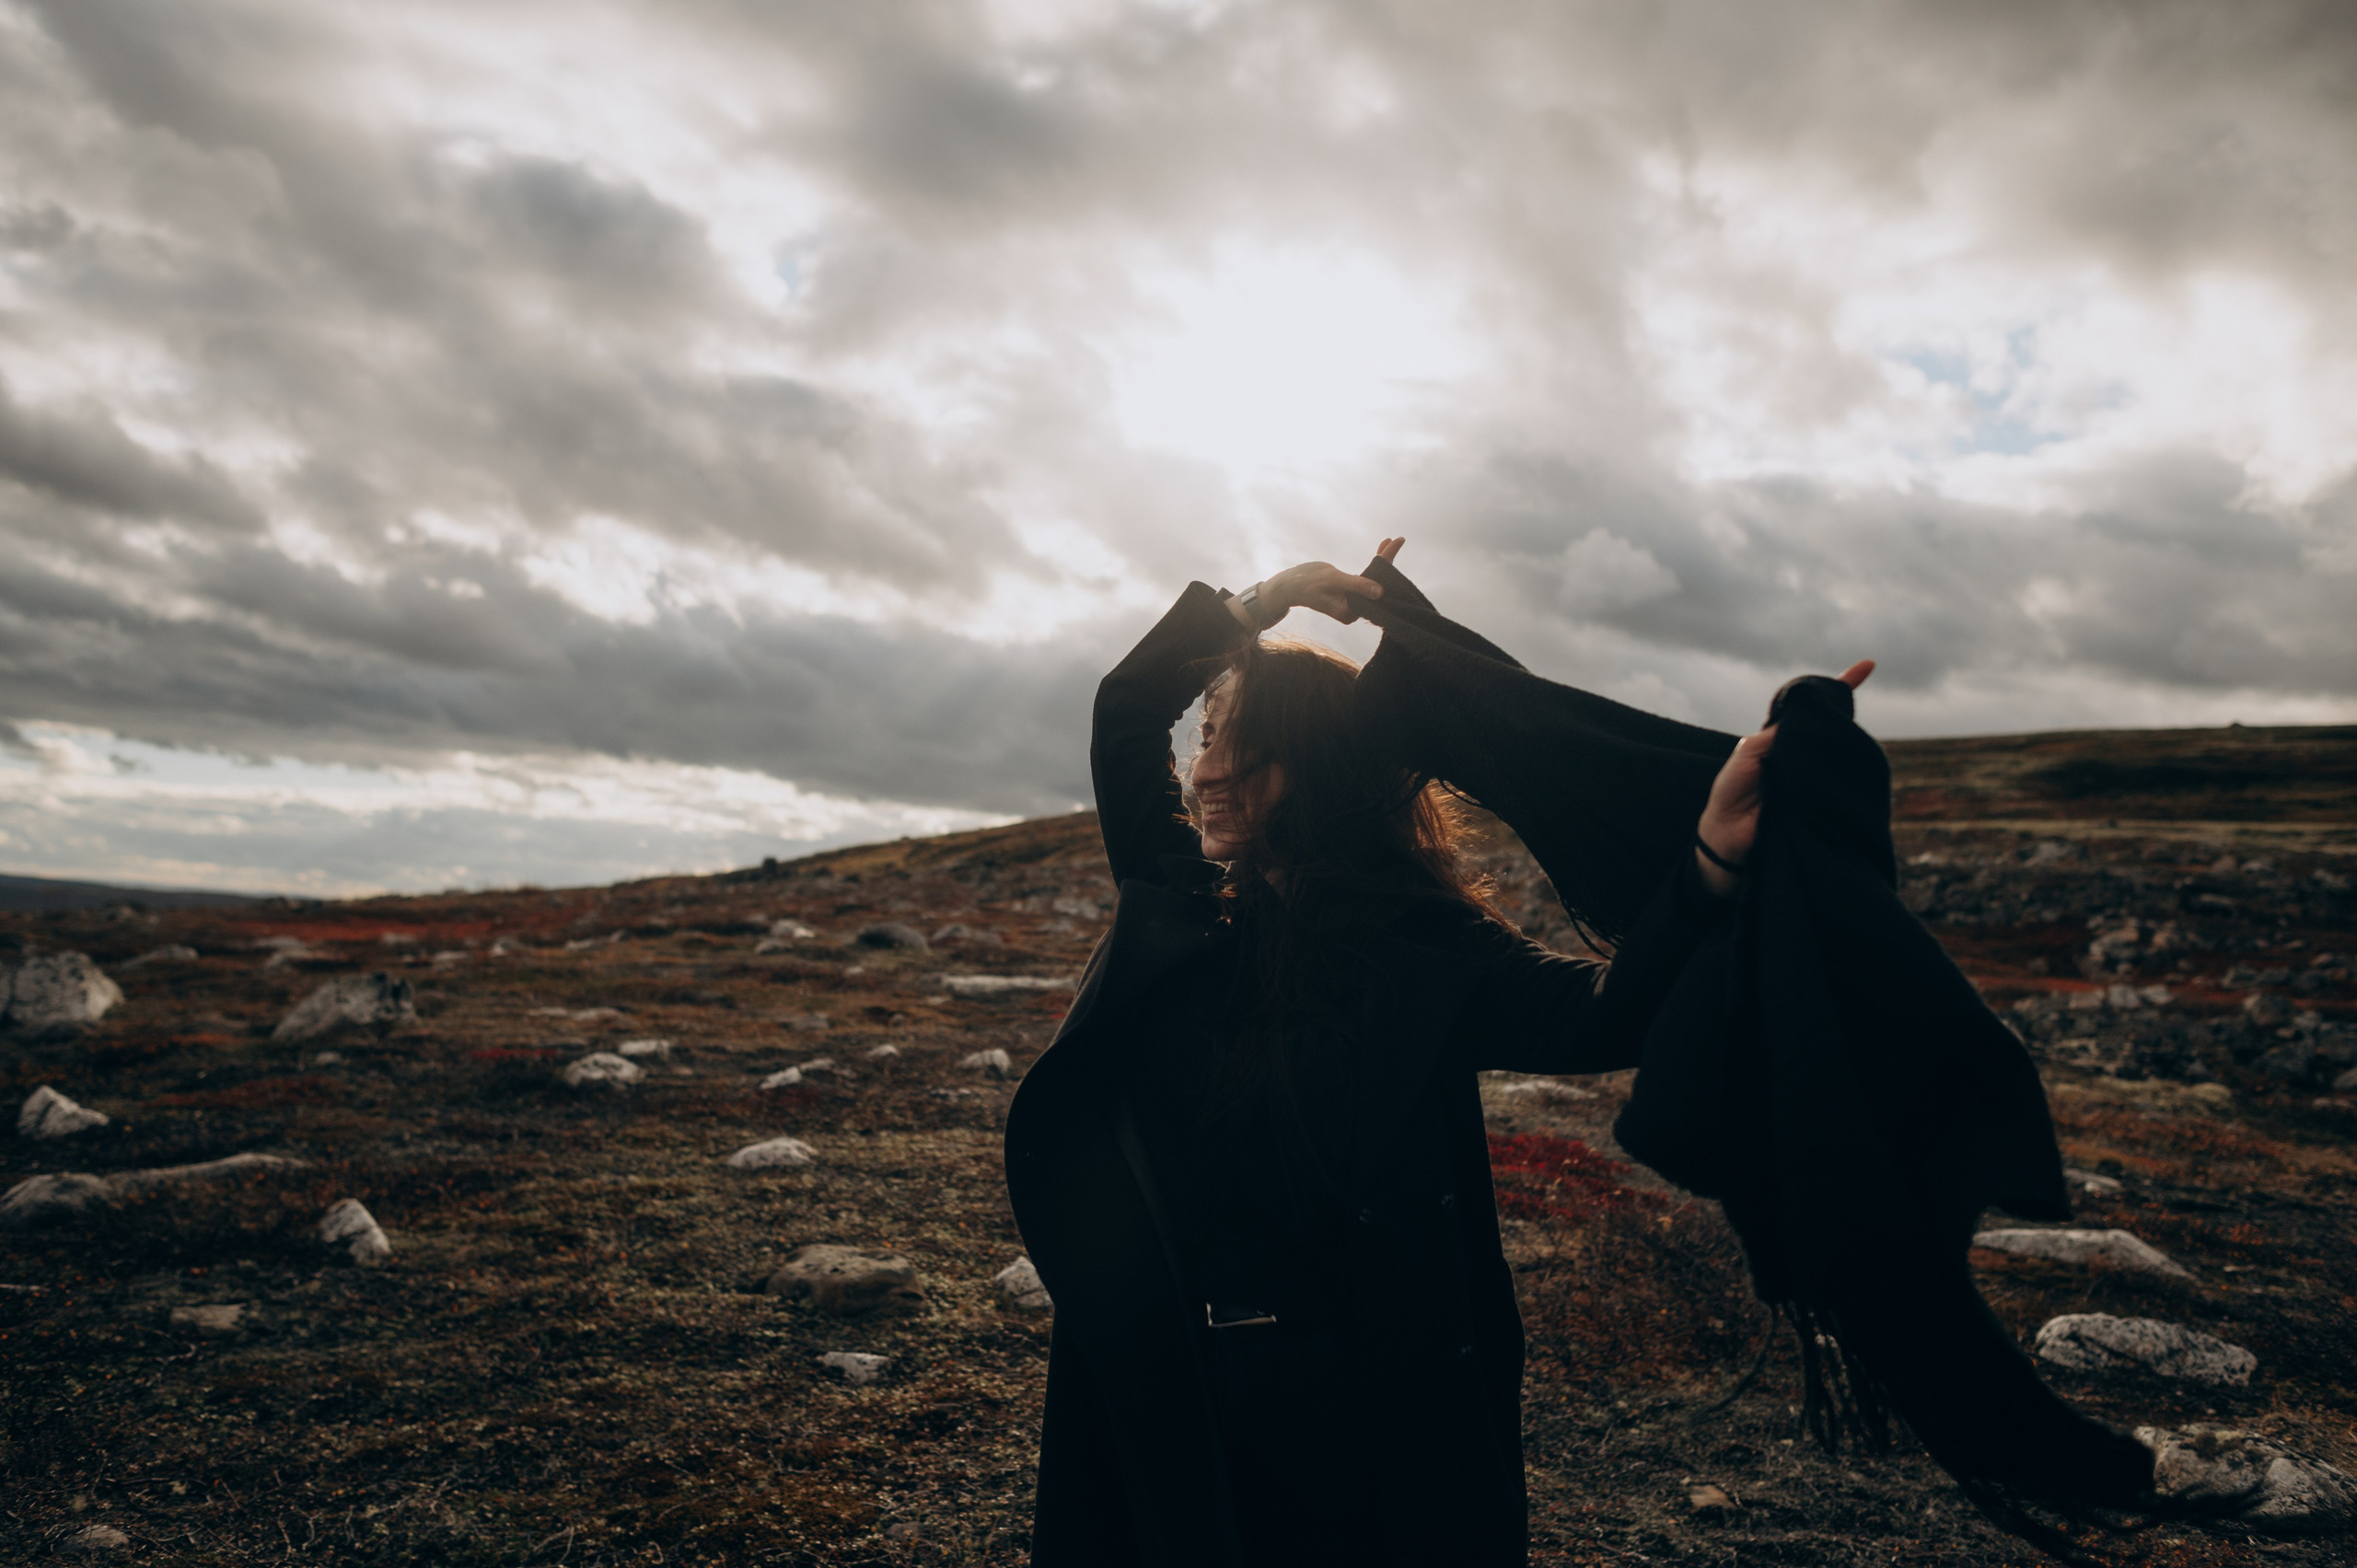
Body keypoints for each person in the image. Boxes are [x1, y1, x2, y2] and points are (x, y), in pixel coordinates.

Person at [1003, 540, 1871, 1567]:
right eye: (1210, 739)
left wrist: (1713, 862)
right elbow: (1126, 706)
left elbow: (1602, 1012)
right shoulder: (1182, 906)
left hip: (1377, 1393)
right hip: (1186, 1370)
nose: (1211, 770)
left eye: (1251, 747)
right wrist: (1259, 606)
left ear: (1319, 768)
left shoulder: (1426, 944)